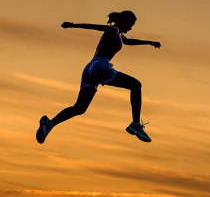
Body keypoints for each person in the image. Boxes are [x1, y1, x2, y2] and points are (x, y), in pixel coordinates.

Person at [36, 10, 161, 144]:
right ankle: (135, 124)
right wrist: (72, 25)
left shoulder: (119, 34)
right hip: (100, 66)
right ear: (126, 22)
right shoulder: (113, 30)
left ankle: (50, 124)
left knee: (79, 108)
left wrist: (150, 42)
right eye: (131, 25)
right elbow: (95, 26)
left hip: (89, 68)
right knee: (136, 85)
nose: (131, 28)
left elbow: (129, 41)